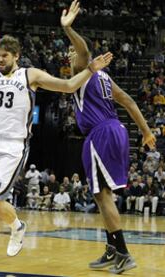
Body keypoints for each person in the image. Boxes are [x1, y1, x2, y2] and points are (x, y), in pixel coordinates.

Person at [0, 23, 112, 262]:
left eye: (5, 56)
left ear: (16, 56)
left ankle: (17, 227)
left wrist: (90, 69)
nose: (0, 60)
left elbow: (67, 86)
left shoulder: (30, 75)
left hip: (13, 145)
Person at [61, 1, 156, 274]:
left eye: (71, 52)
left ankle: (124, 254)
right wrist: (146, 131)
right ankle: (112, 249)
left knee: (102, 196)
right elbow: (128, 100)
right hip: (116, 129)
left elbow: (83, 50)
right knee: (102, 194)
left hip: (101, 132)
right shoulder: (103, 77)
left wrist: (68, 30)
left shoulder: (85, 68)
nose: (70, 56)